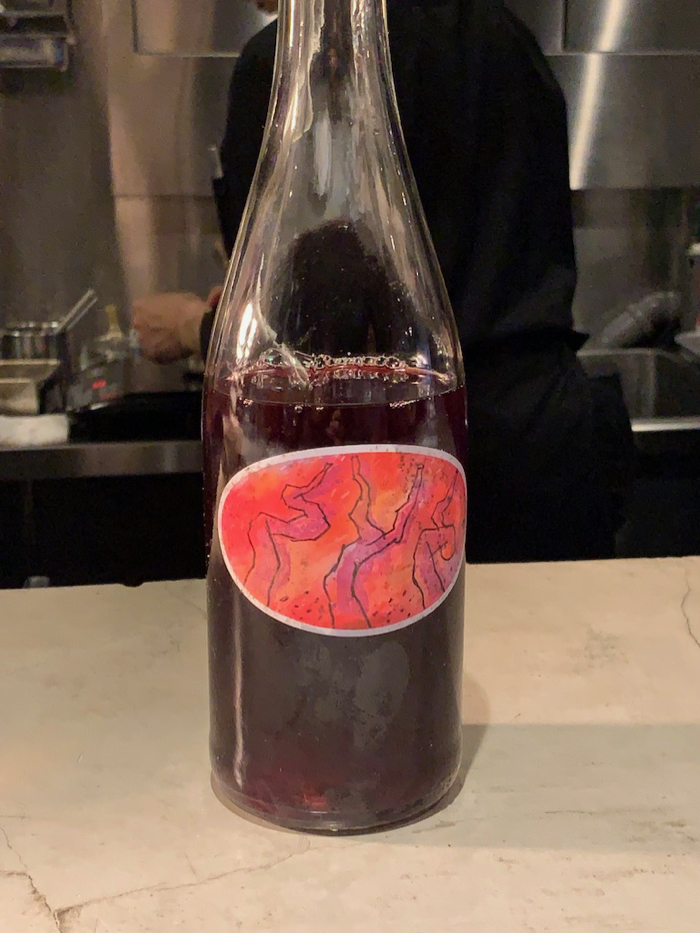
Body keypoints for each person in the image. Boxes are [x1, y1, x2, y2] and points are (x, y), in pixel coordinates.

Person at [133, 0, 633, 563]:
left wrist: (195, 328)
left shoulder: (295, 66)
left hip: (393, 459)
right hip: (542, 441)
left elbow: (313, 336)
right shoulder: (508, 37)